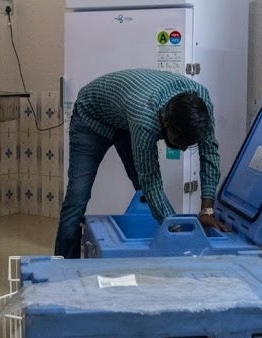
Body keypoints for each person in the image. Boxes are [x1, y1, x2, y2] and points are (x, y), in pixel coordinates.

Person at [54, 68, 229, 259]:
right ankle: (64, 266)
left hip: (124, 116)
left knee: (145, 195)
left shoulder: (202, 101)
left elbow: (209, 152)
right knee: (76, 199)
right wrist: (179, 233)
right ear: (165, 122)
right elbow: (151, 183)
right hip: (91, 118)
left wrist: (207, 211)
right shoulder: (145, 118)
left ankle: (151, 255)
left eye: (189, 144)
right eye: (180, 142)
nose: (183, 149)